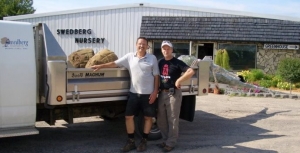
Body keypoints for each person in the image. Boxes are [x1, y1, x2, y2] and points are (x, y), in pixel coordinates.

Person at [91, 37, 159, 152]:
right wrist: (101, 66)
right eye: (139, 44)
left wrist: (155, 91)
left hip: (148, 95)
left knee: (148, 118)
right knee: (128, 117)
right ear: (136, 45)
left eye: (144, 44)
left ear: (147, 46)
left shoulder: (152, 58)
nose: (141, 46)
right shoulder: (129, 57)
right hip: (133, 94)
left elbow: (157, 76)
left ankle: (144, 141)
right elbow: (115, 63)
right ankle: (131, 141)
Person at [156, 40, 195, 152]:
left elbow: (191, 71)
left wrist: (179, 80)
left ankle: (171, 143)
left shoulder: (177, 62)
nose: (166, 50)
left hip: (173, 94)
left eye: (168, 48)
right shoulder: (160, 62)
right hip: (162, 93)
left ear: (172, 50)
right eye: (164, 48)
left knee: (172, 119)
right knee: (161, 119)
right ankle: (165, 140)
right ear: (162, 50)